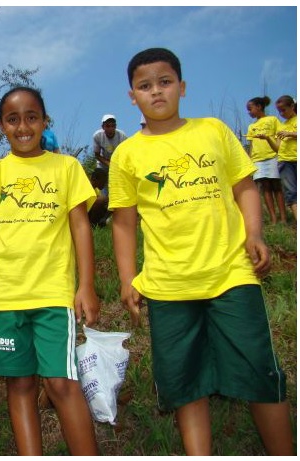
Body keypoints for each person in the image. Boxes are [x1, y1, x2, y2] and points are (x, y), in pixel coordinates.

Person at [109, 47, 293, 456]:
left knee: (259, 371)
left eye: (165, 82)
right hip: (168, 286)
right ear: (132, 96)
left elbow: (245, 186)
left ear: (182, 87)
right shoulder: (127, 154)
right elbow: (123, 223)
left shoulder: (213, 130)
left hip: (231, 274)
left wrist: (255, 235)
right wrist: (127, 280)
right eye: (145, 85)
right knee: (184, 383)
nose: (156, 91)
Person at [0, 86, 100, 456]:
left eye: (31, 117)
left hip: (53, 295)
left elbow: (80, 227)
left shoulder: (66, 167)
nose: (22, 126)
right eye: (13, 119)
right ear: (1, 126)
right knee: (19, 384)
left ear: (44, 122)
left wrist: (85, 286)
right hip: (5, 296)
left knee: (61, 385)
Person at [246, 96, 287, 224]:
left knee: (276, 187)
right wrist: (249, 159)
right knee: (266, 188)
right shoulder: (251, 126)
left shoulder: (272, 119)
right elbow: (251, 145)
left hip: (272, 157)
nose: (249, 112)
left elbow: (280, 135)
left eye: (250, 109)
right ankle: (273, 218)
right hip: (258, 159)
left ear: (259, 107)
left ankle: (284, 218)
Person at [259, 95, 297, 221]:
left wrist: (290, 133)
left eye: (284, 110)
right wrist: (267, 139)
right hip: (285, 161)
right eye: (279, 111)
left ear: (292, 106)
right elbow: (277, 148)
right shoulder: (282, 125)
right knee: (291, 193)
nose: (281, 113)